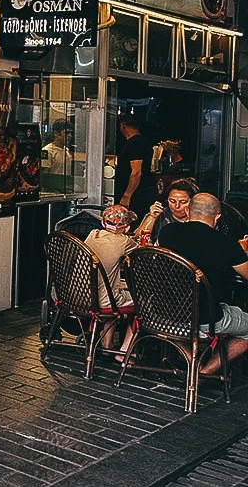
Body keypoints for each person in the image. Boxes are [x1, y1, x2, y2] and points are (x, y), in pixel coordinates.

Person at [157, 193, 248, 372]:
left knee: (171, 326)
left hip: (164, 313)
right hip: (205, 317)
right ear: (218, 217)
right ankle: (204, 372)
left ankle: (192, 361)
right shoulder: (225, 243)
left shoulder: (167, 232)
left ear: (188, 211)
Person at [85, 205, 138, 350]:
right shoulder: (124, 241)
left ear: (103, 223)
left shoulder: (93, 234)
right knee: (139, 302)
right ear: (126, 228)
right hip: (104, 302)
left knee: (113, 292)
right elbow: (141, 252)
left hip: (79, 297)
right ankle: (126, 349)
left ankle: (107, 343)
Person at [133, 178, 198, 245]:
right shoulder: (160, 214)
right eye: (172, 201)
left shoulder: (199, 217)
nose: (177, 206)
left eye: (183, 202)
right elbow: (136, 239)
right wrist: (151, 217)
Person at [115, 114, 154, 220]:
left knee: (133, 222)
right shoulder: (141, 142)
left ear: (123, 125)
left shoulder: (136, 143)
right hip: (139, 192)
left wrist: (127, 196)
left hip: (137, 194)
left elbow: (136, 172)